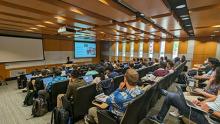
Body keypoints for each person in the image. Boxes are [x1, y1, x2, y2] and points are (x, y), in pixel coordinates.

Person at [148, 90, 220, 124]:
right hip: (203, 110)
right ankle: (159, 118)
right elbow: (216, 98)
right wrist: (202, 103)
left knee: (171, 96)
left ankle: (159, 118)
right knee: (174, 96)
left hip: (208, 118)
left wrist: (210, 111)